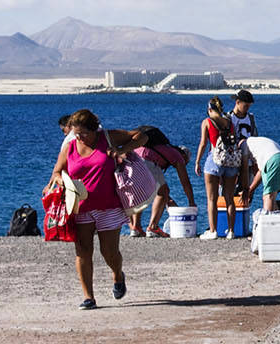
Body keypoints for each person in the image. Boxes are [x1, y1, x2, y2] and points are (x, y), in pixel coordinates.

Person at [46, 110, 141, 308]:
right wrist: (59, 180)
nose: (79, 137)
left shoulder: (107, 137)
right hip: (79, 207)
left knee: (109, 252)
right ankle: (89, 297)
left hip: (109, 207)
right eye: (76, 133)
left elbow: (142, 136)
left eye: (83, 133)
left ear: (94, 129)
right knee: (82, 251)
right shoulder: (70, 146)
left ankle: (117, 275)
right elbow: (57, 171)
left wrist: (121, 149)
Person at [128, 126, 195, 236]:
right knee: (163, 192)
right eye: (186, 162)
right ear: (184, 156)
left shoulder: (163, 148)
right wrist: (192, 203)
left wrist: (169, 200)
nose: (184, 164)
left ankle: (136, 227)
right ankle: (153, 227)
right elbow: (185, 182)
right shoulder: (178, 156)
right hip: (146, 159)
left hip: (132, 158)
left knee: (139, 193)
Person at [192, 97, 242, 239]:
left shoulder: (207, 122)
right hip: (231, 161)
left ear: (209, 109)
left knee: (212, 198)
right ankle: (231, 231)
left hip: (214, 161)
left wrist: (197, 162)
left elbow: (203, 144)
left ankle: (213, 231)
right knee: (229, 198)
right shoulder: (229, 122)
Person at [241, 134, 280, 212]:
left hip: (274, 160)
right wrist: (250, 190)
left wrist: (246, 190)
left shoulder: (243, 145)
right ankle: (276, 218)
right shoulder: (257, 144)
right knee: (272, 195)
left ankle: (268, 222)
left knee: (268, 196)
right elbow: (260, 172)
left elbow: (244, 169)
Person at [229, 89, 259, 204]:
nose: (247, 108)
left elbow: (254, 136)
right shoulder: (228, 118)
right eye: (246, 106)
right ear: (237, 102)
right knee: (231, 193)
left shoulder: (250, 118)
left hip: (249, 163)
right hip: (234, 162)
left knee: (247, 195)